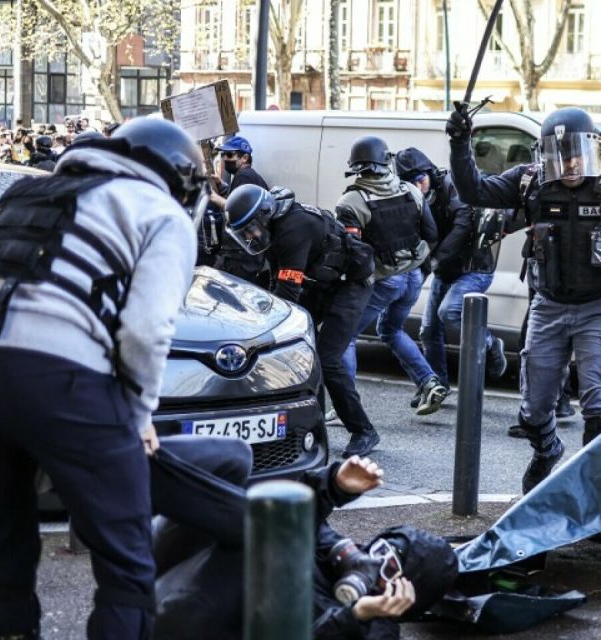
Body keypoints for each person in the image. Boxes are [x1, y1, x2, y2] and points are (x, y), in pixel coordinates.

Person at [0, 118, 205, 638]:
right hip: (59, 367)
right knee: (126, 561)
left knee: (2, 547)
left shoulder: (30, 194)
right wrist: (137, 415)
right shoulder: (160, 213)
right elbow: (147, 329)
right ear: (181, 181)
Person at [446, 105, 601, 492]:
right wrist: (460, 142)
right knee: (533, 410)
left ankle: (596, 497)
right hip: (547, 306)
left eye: (576, 152)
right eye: (559, 154)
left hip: (600, 307)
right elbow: (473, 190)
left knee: (599, 408)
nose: (569, 163)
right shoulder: (530, 181)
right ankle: (546, 449)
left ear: (594, 148)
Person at [149, 438, 457, 639]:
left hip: (194, 626)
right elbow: (289, 510)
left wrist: (358, 615)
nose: (374, 561)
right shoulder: (336, 556)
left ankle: (119, 466)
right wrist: (335, 485)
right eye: (378, 548)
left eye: (389, 568)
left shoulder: (376, 630)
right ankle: (128, 466)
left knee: (266, 531)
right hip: (163, 582)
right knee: (235, 459)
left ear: (406, 598)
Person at [223, 184, 379, 458]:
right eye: (244, 232)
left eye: (249, 228)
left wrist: (262, 334)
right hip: (323, 282)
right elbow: (274, 280)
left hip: (351, 284)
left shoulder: (293, 229)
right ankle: (311, 423)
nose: (249, 236)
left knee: (327, 359)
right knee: (303, 352)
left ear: (263, 215)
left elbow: (288, 294)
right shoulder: (274, 229)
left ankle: (363, 430)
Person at [335, 135, 447, 418]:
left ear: (358, 167)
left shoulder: (351, 201)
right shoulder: (411, 190)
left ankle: (345, 407)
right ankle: (429, 382)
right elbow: (431, 235)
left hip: (385, 280)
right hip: (413, 278)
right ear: (386, 162)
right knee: (391, 330)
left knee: (345, 336)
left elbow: (352, 255)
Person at [395, 148, 510, 391]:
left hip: (474, 265)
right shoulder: (412, 196)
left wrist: (434, 260)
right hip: (447, 269)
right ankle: (438, 387)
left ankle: (491, 344)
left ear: (428, 172)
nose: (419, 186)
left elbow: (463, 225)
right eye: (413, 183)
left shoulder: (451, 186)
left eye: (421, 179)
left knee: (450, 311)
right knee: (428, 331)